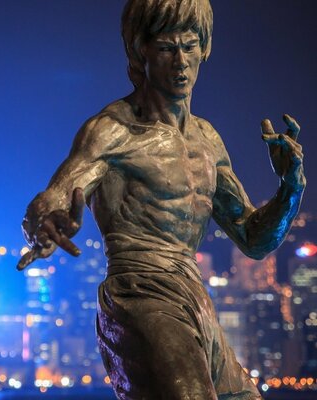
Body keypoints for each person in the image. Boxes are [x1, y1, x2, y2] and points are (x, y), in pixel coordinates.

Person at [16, 0, 305, 398]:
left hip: (194, 299)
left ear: (205, 48)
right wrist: (43, 224)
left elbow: (254, 239)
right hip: (140, 295)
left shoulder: (207, 140)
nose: (181, 62)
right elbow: (54, 196)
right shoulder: (113, 130)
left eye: (190, 47)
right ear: (141, 51)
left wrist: (290, 187)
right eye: (168, 49)